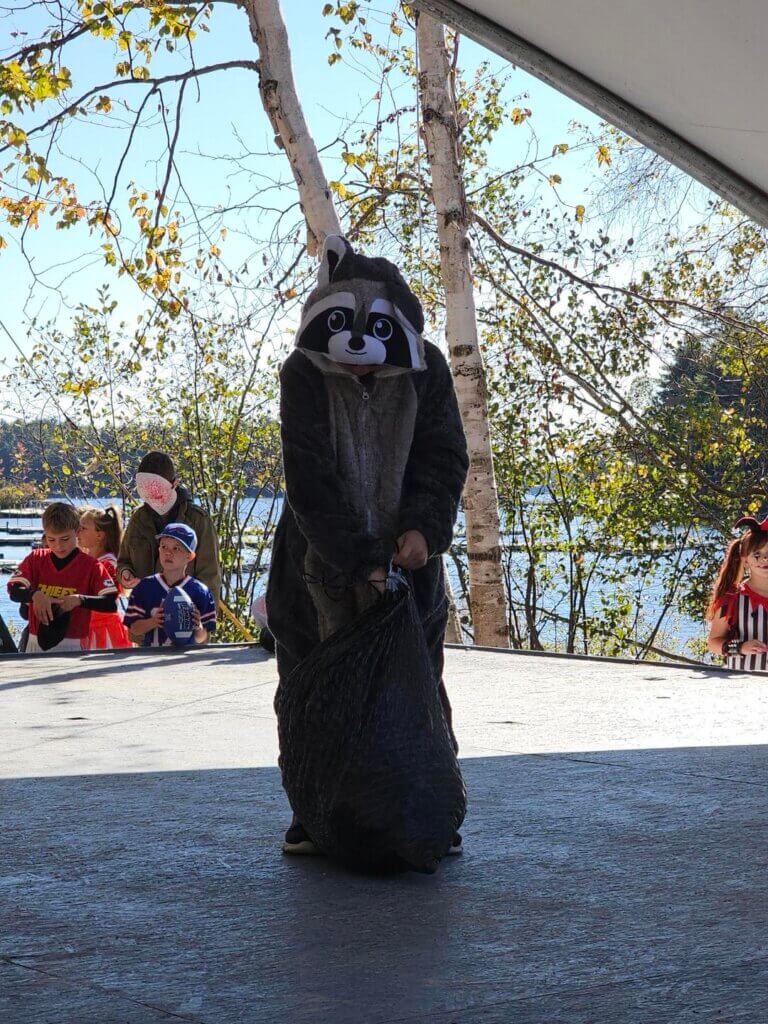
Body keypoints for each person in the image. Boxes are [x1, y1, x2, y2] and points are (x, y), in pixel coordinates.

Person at [266, 235, 469, 855]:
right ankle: (315, 810)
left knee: (416, 684)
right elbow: (309, 478)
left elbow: (443, 456)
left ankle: (421, 806)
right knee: (310, 686)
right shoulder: (303, 374)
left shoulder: (427, 370)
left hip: (411, 564)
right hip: (314, 565)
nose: (356, 358)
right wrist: (360, 559)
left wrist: (423, 530)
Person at [7, 502, 118, 653]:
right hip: (35, 642)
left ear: (77, 532)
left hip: (75, 644)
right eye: (51, 540)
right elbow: (14, 591)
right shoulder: (35, 559)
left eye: (65, 539)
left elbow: (110, 603)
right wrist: (35, 595)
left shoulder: (91, 565)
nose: (58, 546)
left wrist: (79, 600)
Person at [116, 451, 222, 600]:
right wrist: (125, 573)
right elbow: (123, 561)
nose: (152, 499)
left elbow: (209, 577)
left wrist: (203, 618)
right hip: (144, 614)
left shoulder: (198, 521)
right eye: (146, 493)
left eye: (158, 493)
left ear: (175, 483)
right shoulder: (138, 519)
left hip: (183, 614)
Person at [123, 523, 216, 647]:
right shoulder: (144, 587)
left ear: (189, 555)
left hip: (184, 660)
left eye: (176, 548)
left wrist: (198, 626)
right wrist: (153, 621)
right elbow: (134, 628)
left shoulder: (200, 591)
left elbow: (201, 638)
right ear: (159, 550)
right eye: (164, 547)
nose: (168, 553)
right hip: (151, 659)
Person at [706, 515, 768, 672]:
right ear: (745, 560)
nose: (765, 559)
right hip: (742, 685)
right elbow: (713, 642)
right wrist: (740, 647)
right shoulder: (732, 598)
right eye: (757, 554)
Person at [77, 505, 132, 649]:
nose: (78, 532)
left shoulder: (109, 564)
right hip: (88, 629)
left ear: (99, 535)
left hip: (104, 632)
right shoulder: (87, 560)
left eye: (83, 528)